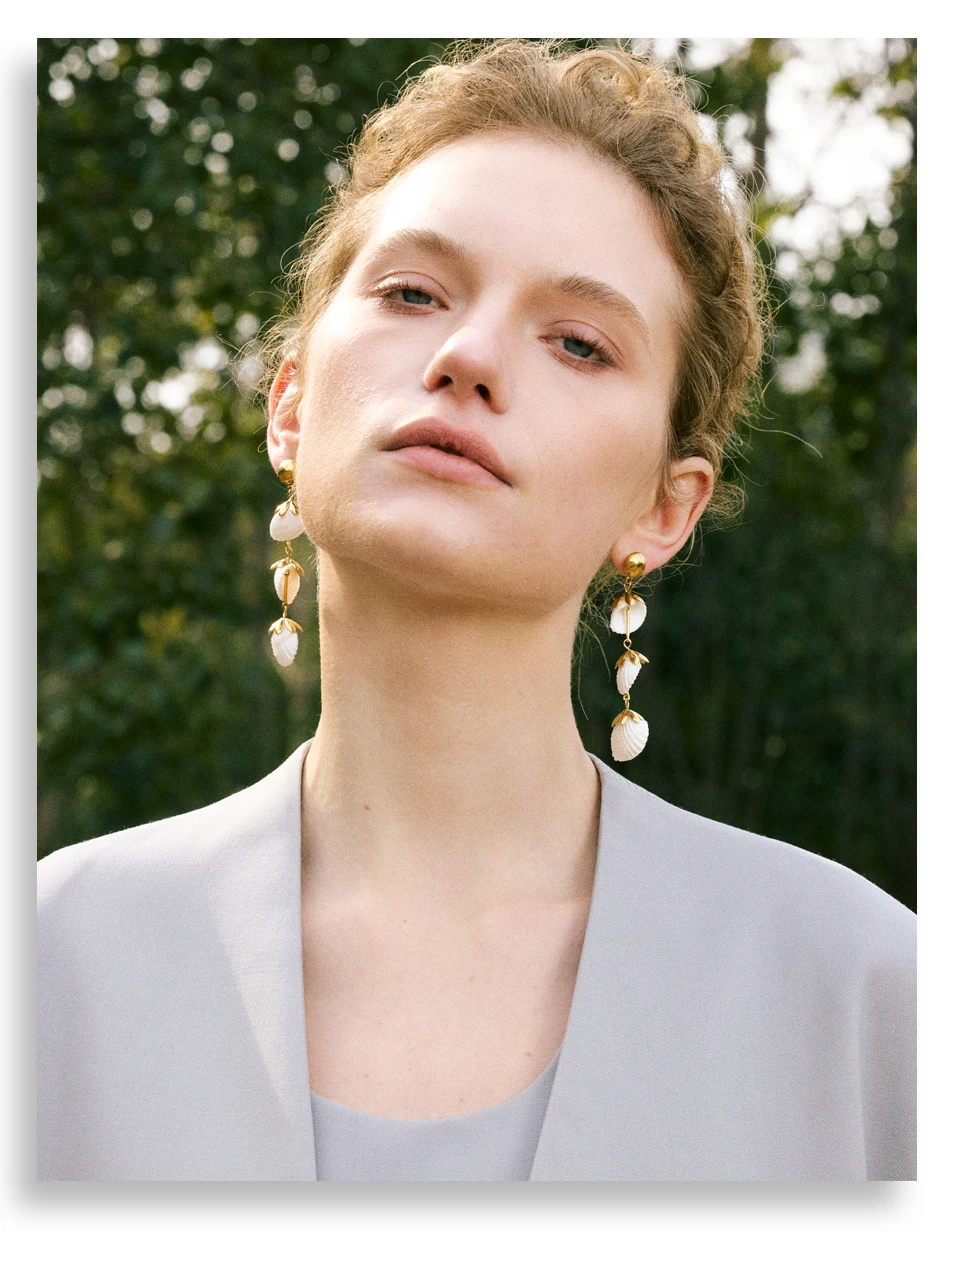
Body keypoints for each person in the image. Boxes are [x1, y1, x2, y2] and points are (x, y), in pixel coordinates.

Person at [37, 38, 915, 1182]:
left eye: (579, 343)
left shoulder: (870, 1002)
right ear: (290, 408)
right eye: (413, 292)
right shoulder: (46, 966)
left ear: (664, 508)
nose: (467, 355)